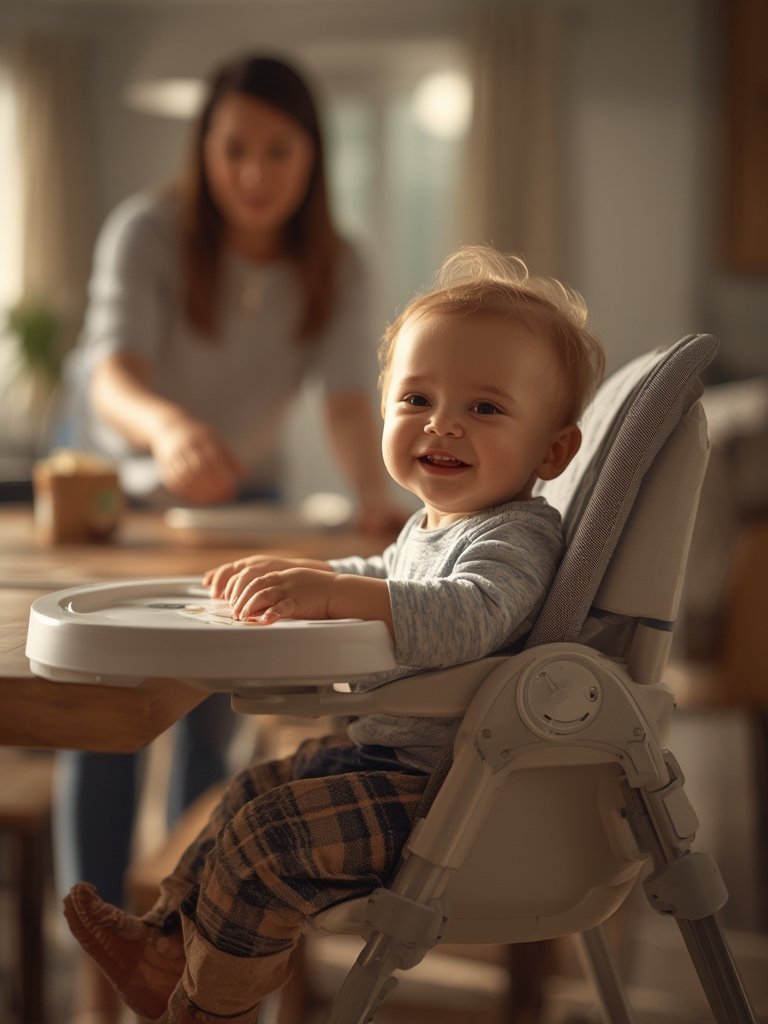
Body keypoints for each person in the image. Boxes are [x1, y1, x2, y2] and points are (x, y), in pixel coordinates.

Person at [61, 244, 606, 1024]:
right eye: (417, 398)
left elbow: (470, 614)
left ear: (553, 450)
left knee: (268, 844)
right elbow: (386, 570)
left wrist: (334, 591)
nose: (442, 423)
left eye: (484, 408)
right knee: (248, 791)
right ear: (385, 408)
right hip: (386, 760)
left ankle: (208, 1008)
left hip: (448, 793)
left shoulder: (517, 536)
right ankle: (165, 947)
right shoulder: (436, 525)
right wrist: (305, 573)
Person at [55, 52, 405, 1024]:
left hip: (246, 499)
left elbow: (345, 403)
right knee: (108, 718)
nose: (253, 172)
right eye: (234, 148)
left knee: (210, 714)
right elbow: (107, 373)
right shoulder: (148, 230)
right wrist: (166, 427)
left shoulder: (341, 261)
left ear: (312, 158)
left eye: (277, 151)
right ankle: (99, 983)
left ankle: (184, 952)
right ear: (203, 148)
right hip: (124, 490)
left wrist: (371, 489)